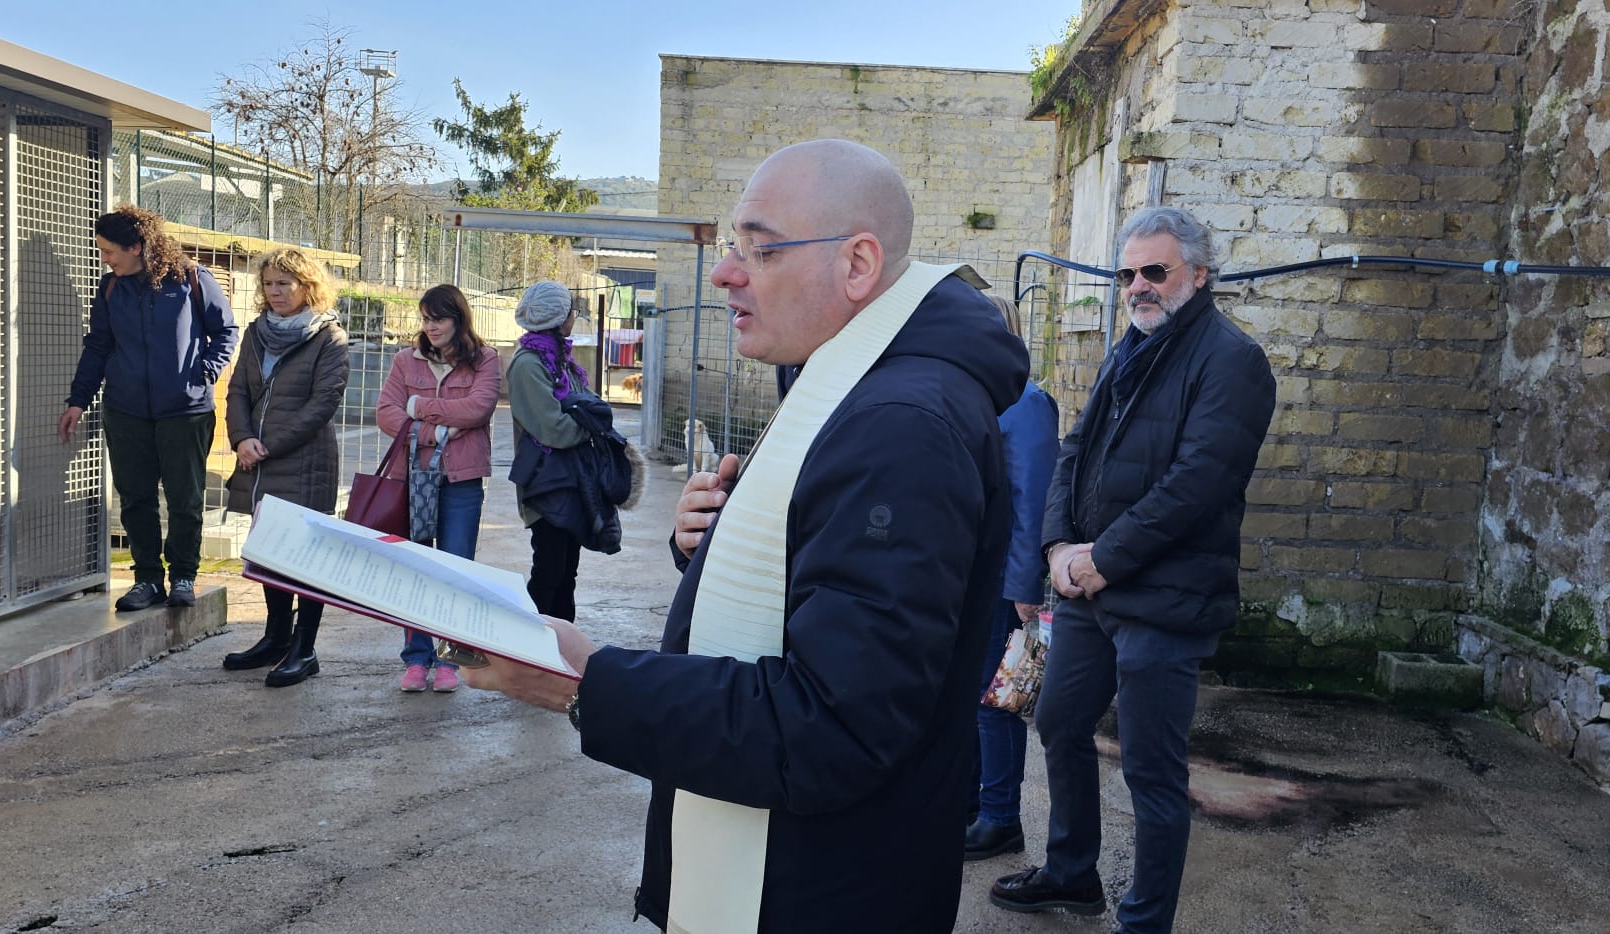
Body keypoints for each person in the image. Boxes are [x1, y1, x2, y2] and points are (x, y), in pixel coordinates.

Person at [464, 139, 1028, 932]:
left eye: (758, 249)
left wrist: (586, 683)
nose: (728, 272)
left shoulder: (900, 425)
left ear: (857, 265)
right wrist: (719, 548)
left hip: (821, 889)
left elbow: (834, 725)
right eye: (733, 245)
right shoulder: (850, 381)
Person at [987, 206, 1277, 933]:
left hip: (1165, 601)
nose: (1139, 286)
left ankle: (1143, 923)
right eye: (1127, 274)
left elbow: (1196, 486)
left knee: (1151, 772)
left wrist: (1100, 562)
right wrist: (1058, 550)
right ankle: (1072, 873)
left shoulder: (1231, 361)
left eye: (1155, 271)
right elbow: (1073, 455)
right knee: (1057, 720)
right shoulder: (1129, 348)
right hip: (1089, 588)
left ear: (1199, 275)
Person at [60, 205, 237, 612]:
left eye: (109, 251)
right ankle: (146, 580)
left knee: (184, 498)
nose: (105, 259)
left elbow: (225, 332)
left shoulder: (192, 279)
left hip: (185, 410)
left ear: (136, 246)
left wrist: (201, 375)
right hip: (125, 411)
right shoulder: (109, 289)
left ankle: (184, 577)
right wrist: (78, 400)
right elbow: (98, 347)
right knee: (135, 497)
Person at [220, 248, 349, 687]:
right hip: (258, 458)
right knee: (270, 554)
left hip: (304, 463)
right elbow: (237, 389)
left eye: (284, 284)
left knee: (305, 561)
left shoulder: (329, 337)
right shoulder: (256, 332)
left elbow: (322, 404)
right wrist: (240, 438)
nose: (275, 292)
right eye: (269, 284)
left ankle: (305, 648)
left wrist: (266, 445)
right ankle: (275, 638)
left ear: (307, 287)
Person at [967, 297, 1060, 861]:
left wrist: (1025, 587)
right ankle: (978, 805)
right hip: (973, 580)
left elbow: (1034, 501)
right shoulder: (981, 396)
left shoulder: (1024, 403)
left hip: (1005, 584)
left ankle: (1001, 818)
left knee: (995, 700)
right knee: (973, 699)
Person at [375, 284, 501, 694]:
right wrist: (436, 430)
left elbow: (478, 409)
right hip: (410, 478)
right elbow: (386, 413)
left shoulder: (485, 360)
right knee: (414, 569)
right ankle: (416, 659)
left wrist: (417, 411)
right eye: (426, 319)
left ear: (458, 319)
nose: (430, 327)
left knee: (455, 570)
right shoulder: (404, 361)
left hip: (461, 482)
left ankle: (450, 659)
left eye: (439, 319)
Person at [506, 280, 590, 620]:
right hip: (546, 483)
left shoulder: (560, 359)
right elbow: (553, 428)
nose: (574, 316)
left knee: (565, 573)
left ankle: (559, 654)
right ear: (559, 317)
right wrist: (591, 427)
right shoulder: (529, 363)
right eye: (571, 310)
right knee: (549, 573)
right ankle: (528, 650)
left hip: (567, 480)